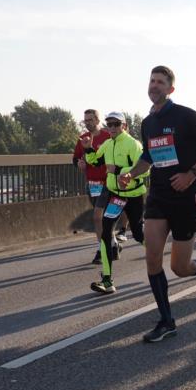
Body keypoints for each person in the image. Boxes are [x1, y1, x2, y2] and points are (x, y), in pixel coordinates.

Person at [117, 66, 196, 342]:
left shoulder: (185, 116)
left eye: (160, 82)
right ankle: (166, 321)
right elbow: (148, 157)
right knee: (152, 258)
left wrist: (191, 174)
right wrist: (131, 173)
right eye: (152, 81)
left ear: (171, 89)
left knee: (180, 268)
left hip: (184, 198)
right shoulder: (147, 123)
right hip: (158, 197)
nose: (154, 85)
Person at [82, 112, 146, 294]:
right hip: (116, 195)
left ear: (124, 126)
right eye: (109, 124)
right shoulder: (107, 144)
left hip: (133, 195)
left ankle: (155, 255)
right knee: (105, 231)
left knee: (139, 234)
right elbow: (95, 162)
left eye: (116, 124)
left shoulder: (133, 144)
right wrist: (88, 149)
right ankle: (107, 281)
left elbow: (145, 170)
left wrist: (119, 170)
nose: (111, 128)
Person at [73, 108, 111, 265]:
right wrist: (79, 163)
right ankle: (111, 244)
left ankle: (102, 251)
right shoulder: (82, 138)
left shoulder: (107, 136)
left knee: (98, 217)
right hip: (92, 184)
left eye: (90, 120)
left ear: (97, 120)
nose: (87, 123)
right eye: (85, 120)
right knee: (100, 219)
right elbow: (75, 158)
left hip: (108, 182)